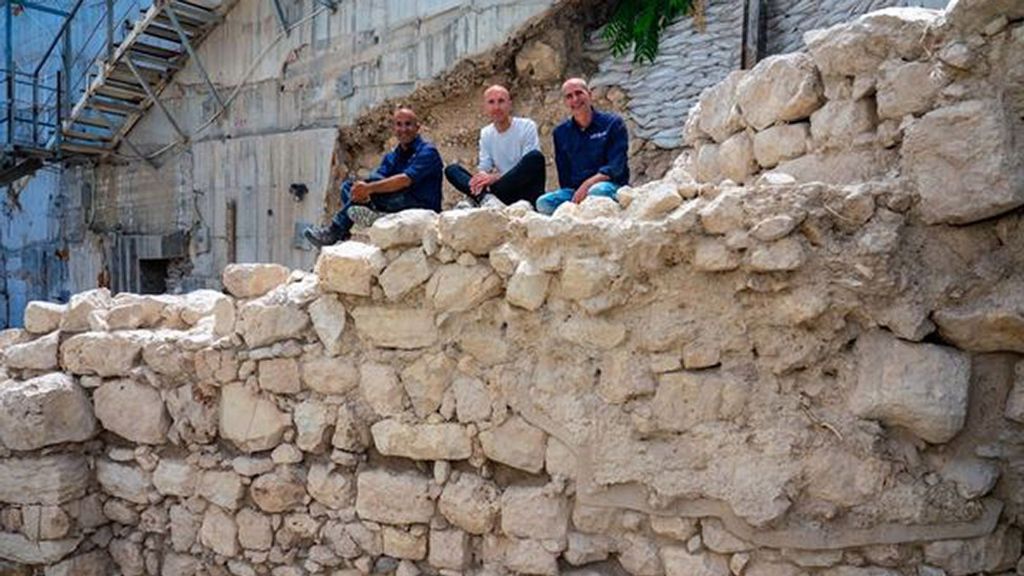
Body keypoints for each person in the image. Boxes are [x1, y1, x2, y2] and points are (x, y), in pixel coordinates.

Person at [304, 108, 443, 247]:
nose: (403, 129)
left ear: (417, 127)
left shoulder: (427, 151)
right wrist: (364, 189)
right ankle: (371, 215)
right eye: (399, 124)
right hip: (397, 200)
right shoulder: (394, 155)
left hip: (420, 205)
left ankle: (336, 230)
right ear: (394, 128)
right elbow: (379, 177)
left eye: (408, 124)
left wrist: (368, 189)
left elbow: (404, 180)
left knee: (368, 187)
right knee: (349, 187)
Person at [536, 78, 629, 215]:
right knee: (543, 203)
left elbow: (616, 166)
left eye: (579, 93)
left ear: (589, 95)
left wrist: (588, 184)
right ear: (565, 102)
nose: (575, 99)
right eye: (569, 96)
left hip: (608, 186)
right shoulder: (561, 133)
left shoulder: (613, 124)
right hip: (576, 192)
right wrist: (574, 196)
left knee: (596, 191)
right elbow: (564, 175)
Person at [444, 85, 546, 208]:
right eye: (491, 102)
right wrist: (481, 180)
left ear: (509, 104)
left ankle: (479, 198)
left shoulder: (527, 126)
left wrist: (496, 177)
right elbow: (484, 167)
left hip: (524, 189)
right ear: (485, 108)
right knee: (452, 170)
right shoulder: (486, 133)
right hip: (501, 191)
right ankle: (484, 197)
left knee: (535, 157)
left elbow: (526, 168)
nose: (496, 107)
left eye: (501, 101)